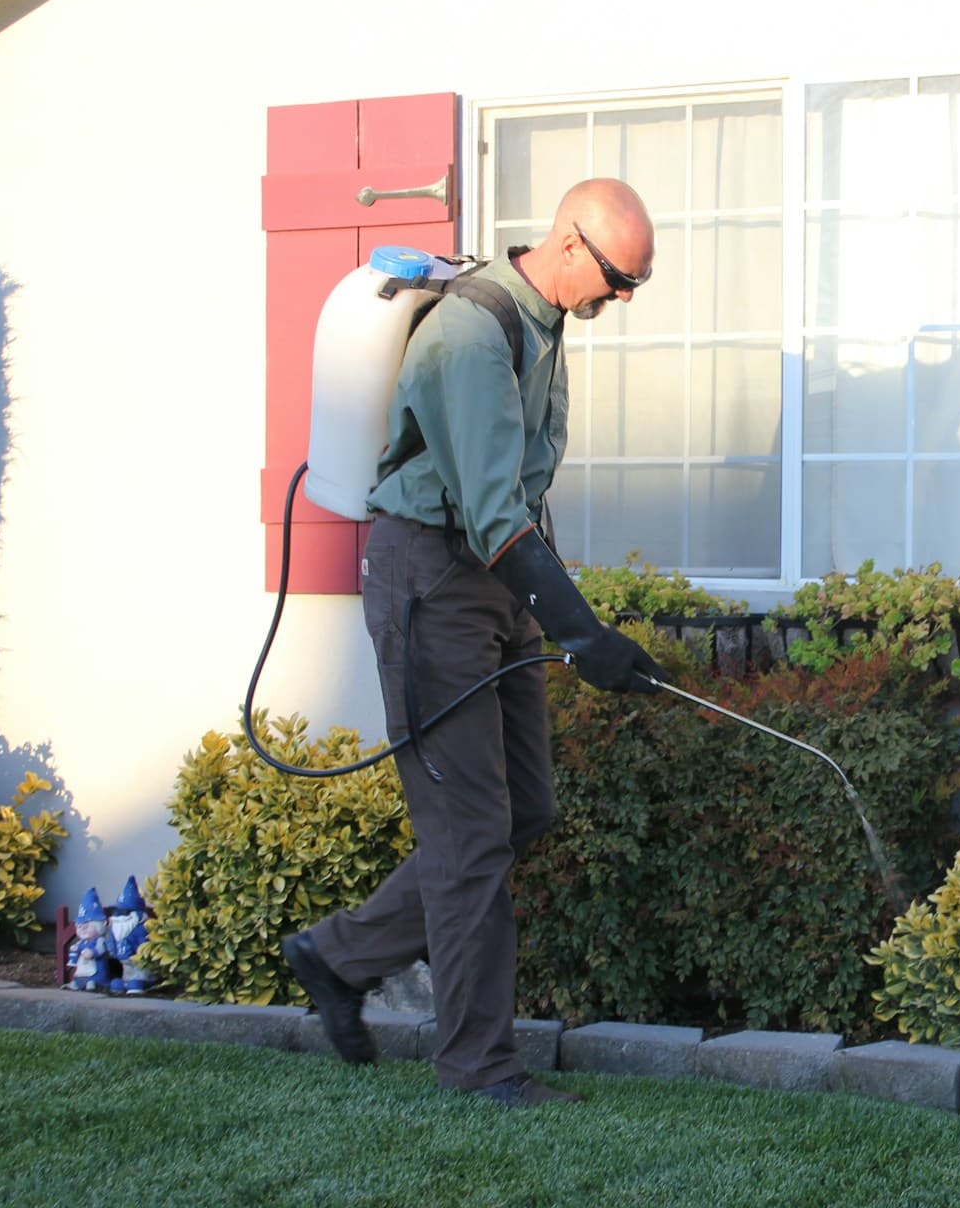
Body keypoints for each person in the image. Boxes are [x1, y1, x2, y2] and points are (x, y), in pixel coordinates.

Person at [281, 178, 669, 1108]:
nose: (623, 299)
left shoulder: (545, 322)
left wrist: (566, 618)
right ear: (570, 243)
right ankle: (480, 1067)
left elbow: (519, 494)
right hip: (432, 583)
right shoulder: (471, 333)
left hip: (491, 584)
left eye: (637, 285)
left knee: (523, 807)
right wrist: (584, 635)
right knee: (467, 839)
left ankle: (338, 957)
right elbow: (495, 514)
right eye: (619, 279)